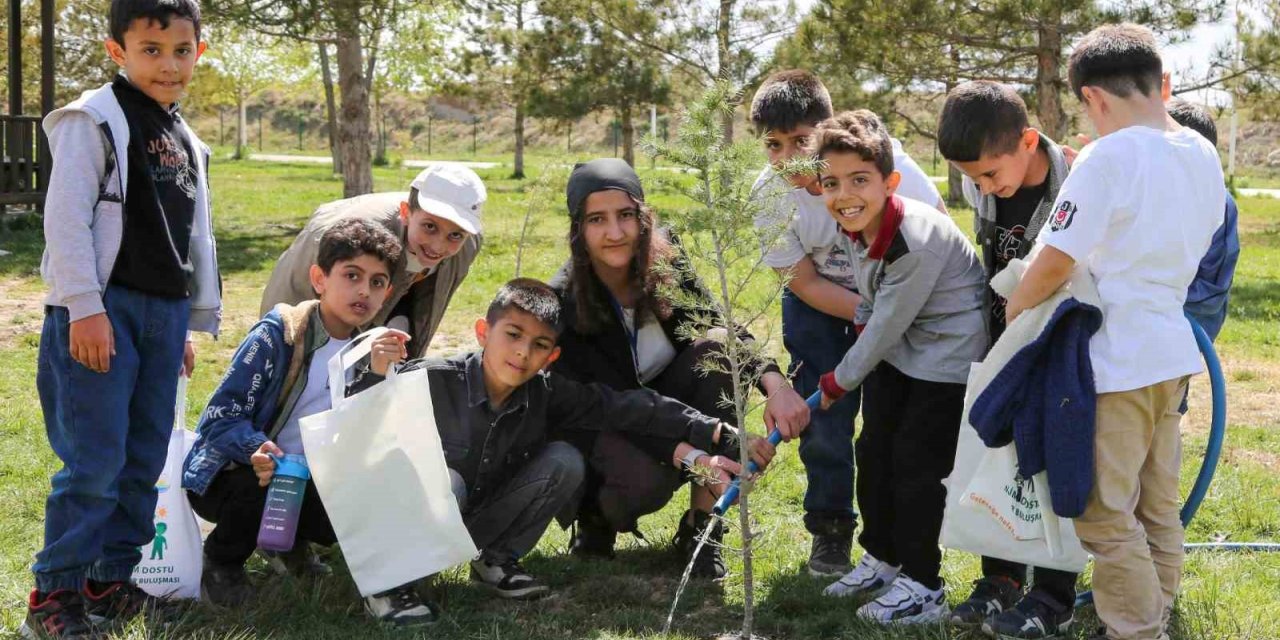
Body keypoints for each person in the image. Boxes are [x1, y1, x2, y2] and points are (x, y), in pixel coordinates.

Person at [352, 278, 774, 604]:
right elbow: (355, 426)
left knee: (564, 460)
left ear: (552, 357)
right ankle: (392, 585)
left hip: (479, 520)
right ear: (483, 332)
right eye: (512, 334)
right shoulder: (434, 379)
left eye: (539, 345)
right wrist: (373, 374)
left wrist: (716, 431)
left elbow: (630, 407)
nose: (522, 353)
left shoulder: (547, 393)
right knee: (447, 480)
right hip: (416, 526)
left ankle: (494, 561)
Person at [1003, 24, 1225, 640]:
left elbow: (1056, 258)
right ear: (1161, 83)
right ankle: (1153, 615)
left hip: (1115, 362)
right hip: (1172, 353)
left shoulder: (1108, 156)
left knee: (1102, 513)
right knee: (1156, 507)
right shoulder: (1201, 152)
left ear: (1093, 97)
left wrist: (1016, 308)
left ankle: (1136, 629)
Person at [26, 1, 222, 637]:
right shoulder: (95, 120)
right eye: (151, 50)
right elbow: (66, 220)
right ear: (118, 51)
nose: (169, 65)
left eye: (182, 51)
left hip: (162, 315)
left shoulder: (183, 135)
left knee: (143, 460)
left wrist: (185, 324)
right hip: (102, 311)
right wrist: (83, 308)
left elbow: (184, 236)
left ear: (199, 50)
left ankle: (109, 584)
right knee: (95, 464)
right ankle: (54, 598)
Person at [546, 158, 807, 579]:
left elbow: (714, 322)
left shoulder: (665, 257)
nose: (615, 232)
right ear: (578, 229)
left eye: (626, 215)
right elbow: (609, 407)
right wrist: (700, 452)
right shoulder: (563, 301)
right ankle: (597, 516)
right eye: (597, 219)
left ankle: (703, 528)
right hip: (615, 425)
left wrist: (774, 382)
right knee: (643, 483)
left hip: (672, 405)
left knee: (718, 350)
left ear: (643, 217)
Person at [182, 219, 441, 627]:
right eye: (352, 275)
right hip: (235, 474)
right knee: (255, 483)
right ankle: (221, 561)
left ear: (388, 293)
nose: (364, 291)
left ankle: (288, 542)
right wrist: (254, 447)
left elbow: (362, 437)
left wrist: (377, 377)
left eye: (377, 282)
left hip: (307, 480)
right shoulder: (279, 334)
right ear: (319, 279)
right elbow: (220, 417)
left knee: (368, 488)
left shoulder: (367, 350)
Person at [747, 70, 946, 577]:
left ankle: (894, 538)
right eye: (773, 145)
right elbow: (805, 282)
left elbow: (936, 232)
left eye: (801, 141)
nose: (787, 158)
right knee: (824, 420)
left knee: (889, 419)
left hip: (899, 298)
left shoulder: (882, 164)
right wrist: (870, 318)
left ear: (827, 128)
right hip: (820, 305)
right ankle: (830, 528)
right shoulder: (768, 195)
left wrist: (891, 319)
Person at [810, 111, 988, 624]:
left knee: (916, 465)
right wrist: (859, 340)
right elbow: (872, 302)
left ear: (890, 183)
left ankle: (923, 582)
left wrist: (839, 380)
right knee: (874, 450)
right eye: (831, 183)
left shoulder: (914, 239)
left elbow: (886, 323)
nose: (845, 194)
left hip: (946, 357)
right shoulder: (854, 224)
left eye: (859, 180)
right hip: (904, 348)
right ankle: (883, 557)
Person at [935, 79, 1079, 637]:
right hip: (1003, 341)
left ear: (1028, 141)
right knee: (995, 453)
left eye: (990, 175)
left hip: (1057, 345)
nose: (985, 188)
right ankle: (1000, 579)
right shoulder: (986, 186)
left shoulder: (1077, 182)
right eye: (974, 180)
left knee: (1053, 460)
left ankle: (1053, 594)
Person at [260, 163, 485, 358]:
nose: (438, 246)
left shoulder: (468, 244)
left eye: (455, 235)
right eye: (430, 227)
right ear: (406, 213)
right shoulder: (350, 238)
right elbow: (295, 315)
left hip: (399, 288)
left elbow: (430, 309)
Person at [1166, 99, 1240, 344]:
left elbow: (1211, 290)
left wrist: (1157, 301)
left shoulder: (1219, 203)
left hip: (1188, 320)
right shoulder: (1150, 192)